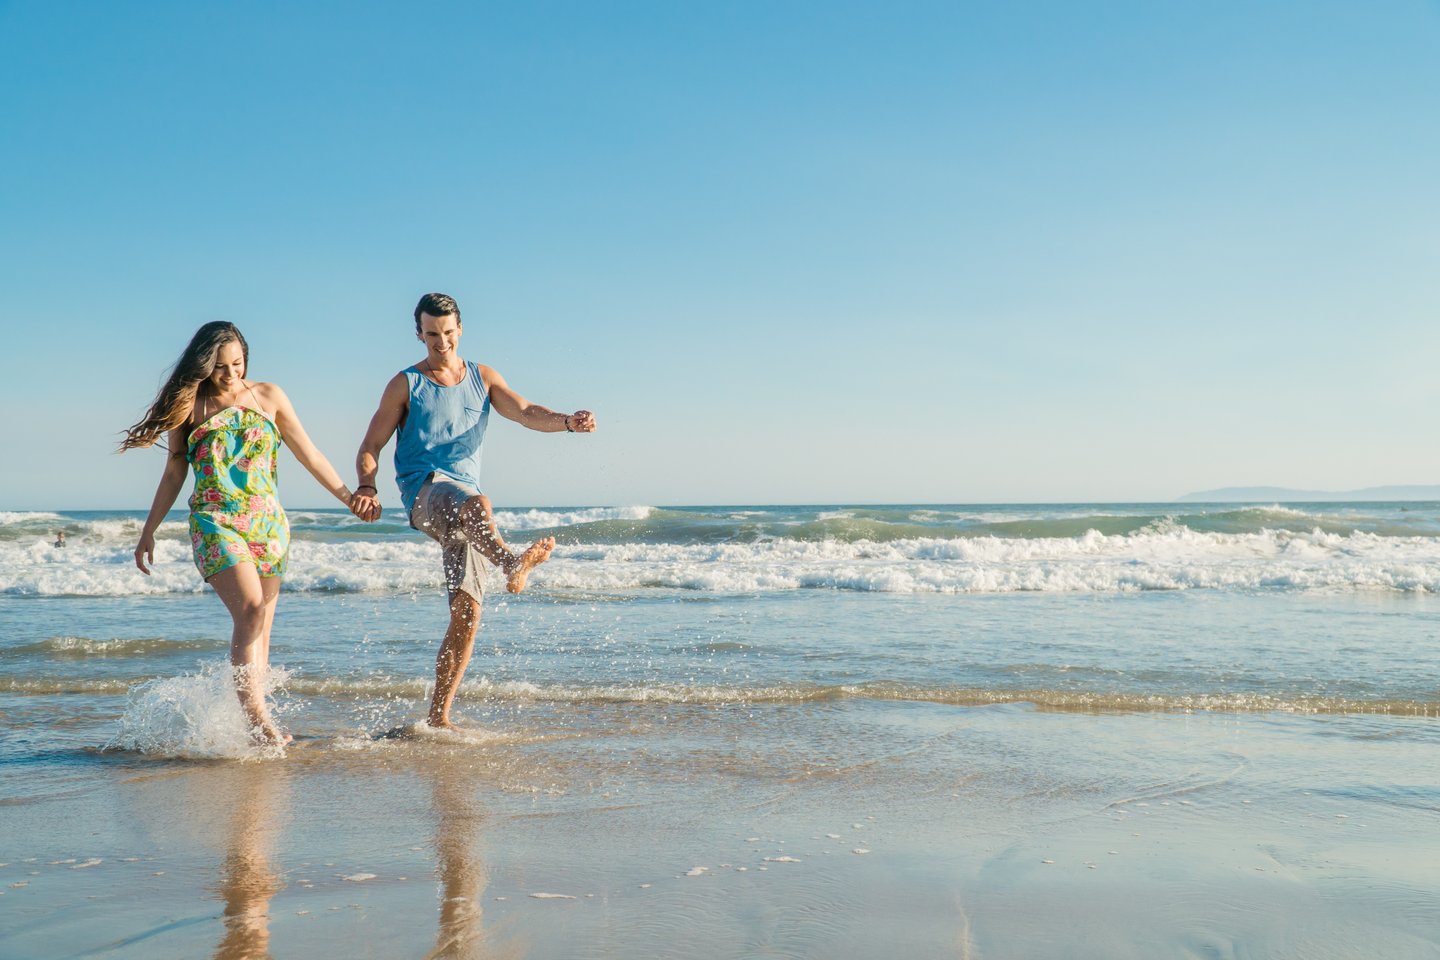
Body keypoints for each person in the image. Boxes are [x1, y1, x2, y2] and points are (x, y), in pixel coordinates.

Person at [350, 292, 595, 730]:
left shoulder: (482, 377)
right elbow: (371, 445)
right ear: (419, 334)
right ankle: (514, 562)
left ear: (459, 330)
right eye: (431, 335)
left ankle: (438, 718)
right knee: (477, 503)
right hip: (424, 494)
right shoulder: (405, 383)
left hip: (469, 516)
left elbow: (523, 412)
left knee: (467, 613)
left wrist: (567, 422)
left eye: (447, 334)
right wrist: (367, 485)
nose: (440, 343)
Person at [121, 321, 357, 746]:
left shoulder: (269, 396)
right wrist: (148, 531)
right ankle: (257, 722)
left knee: (261, 626)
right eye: (220, 367)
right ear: (204, 365)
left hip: (268, 525)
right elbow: (175, 469)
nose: (230, 375)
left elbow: (310, 453)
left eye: (237, 364)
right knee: (250, 610)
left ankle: (251, 721)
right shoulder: (190, 405)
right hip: (215, 521)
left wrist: (349, 497)